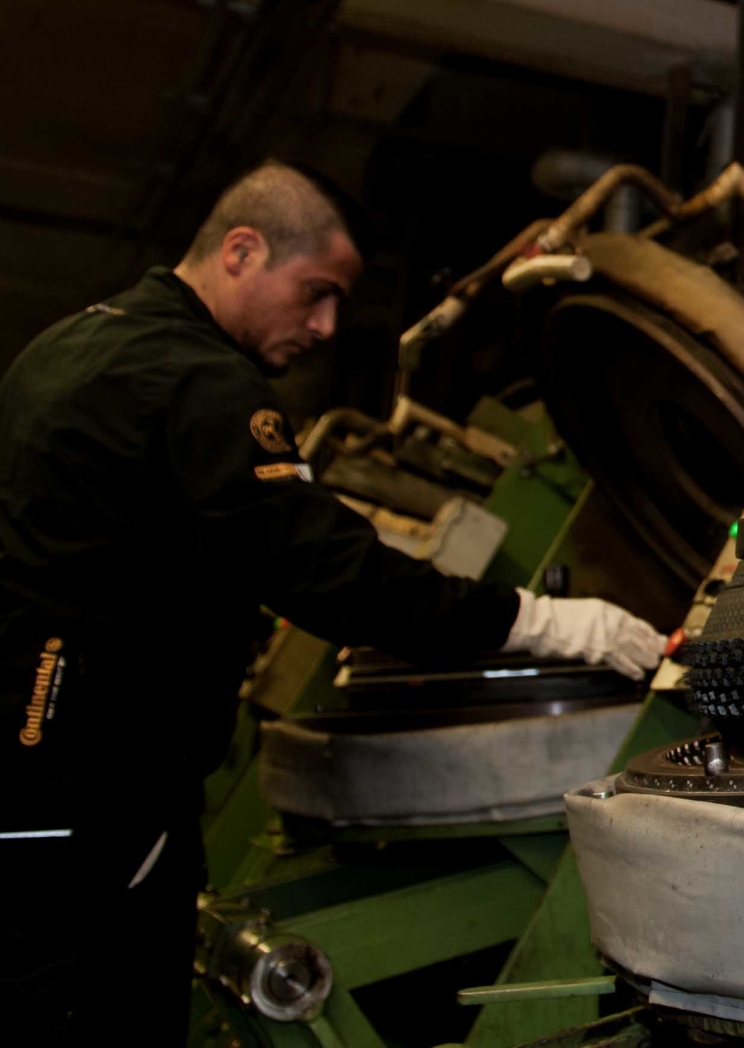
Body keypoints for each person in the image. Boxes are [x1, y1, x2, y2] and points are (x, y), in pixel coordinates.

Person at [0, 162, 665, 1041]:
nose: (325, 326)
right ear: (242, 250)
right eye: (316, 293)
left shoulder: (68, 344)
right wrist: (554, 622)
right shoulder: (197, 381)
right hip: (97, 794)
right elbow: (334, 578)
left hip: (32, 773)